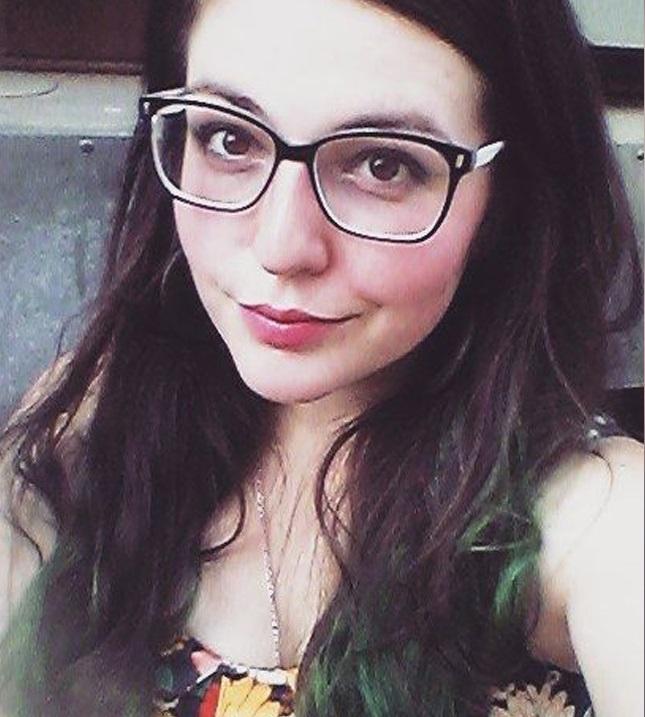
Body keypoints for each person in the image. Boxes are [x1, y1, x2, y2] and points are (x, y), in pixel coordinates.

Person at [0, 0, 643, 715]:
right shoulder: (90, 422)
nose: (281, 246)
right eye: (228, 138)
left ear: (506, 200)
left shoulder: (594, 518)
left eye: (382, 163)